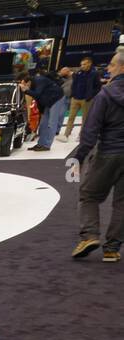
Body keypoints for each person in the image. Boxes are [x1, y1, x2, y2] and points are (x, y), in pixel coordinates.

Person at [71, 51, 124, 262]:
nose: (108, 69)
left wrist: (79, 156)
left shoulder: (105, 95)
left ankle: (90, 236)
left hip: (109, 153)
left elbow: (90, 131)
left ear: (121, 68)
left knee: (89, 194)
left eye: (111, 65)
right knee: (122, 203)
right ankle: (112, 249)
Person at [22, 69, 67, 150]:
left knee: (52, 123)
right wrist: (42, 112)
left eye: (24, 84)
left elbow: (38, 95)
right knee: (43, 124)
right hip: (48, 101)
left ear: (28, 82)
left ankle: (47, 145)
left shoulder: (39, 80)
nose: (24, 86)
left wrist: (26, 91)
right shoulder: (33, 85)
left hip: (57, 98)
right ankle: (40, 144)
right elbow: (38, 100)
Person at [64, 57, 102, 141]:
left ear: (89, 64)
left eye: (84, 64)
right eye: (81, 64)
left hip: (86, 99)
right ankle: (66, 134)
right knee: (71, 117)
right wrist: (73, 94)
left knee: (85, 119)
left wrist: (90, 95)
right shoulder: (78, 73)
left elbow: (98, 87)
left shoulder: (94, 73)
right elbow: (74, 84)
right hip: (75, 98)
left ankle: (81, 135)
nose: (82, 66)